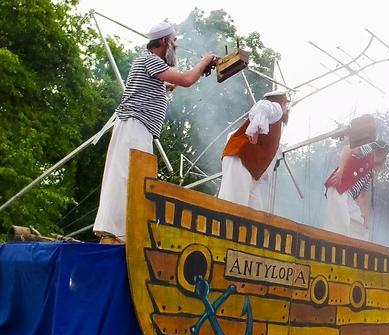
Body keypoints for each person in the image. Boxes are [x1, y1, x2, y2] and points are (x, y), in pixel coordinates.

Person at [94, 22, 216, 244]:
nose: (176, 46)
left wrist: (172, 85)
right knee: (129, 178)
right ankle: (118, 232)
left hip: (138, 127)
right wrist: (204, 62)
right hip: (134, 126)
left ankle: (120, 231)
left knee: (131, 177)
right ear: (163, 42)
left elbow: (166, 84)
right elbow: (187, 80)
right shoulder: (150, 60)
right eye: (174, 41)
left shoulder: (149, 63)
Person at [217, 90, 290, 210]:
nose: (286, 107)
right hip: (241, 159)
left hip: (248, 167)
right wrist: (253, 131)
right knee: (233, 205)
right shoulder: (275, 108)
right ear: (282, 102)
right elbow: (263, 106)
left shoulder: (274, 122)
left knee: (255, 211)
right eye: (285, 103)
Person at [322, 140, 389, 240]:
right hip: (338, 188)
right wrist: (341, 170)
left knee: (360, 225)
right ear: (376, 150)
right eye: (381, 151)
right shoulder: (366, 151)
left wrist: (365, 217)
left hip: (349, 196)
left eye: (384, 153)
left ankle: (357, 248)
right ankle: (334, 243)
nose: (382, 155)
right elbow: (347, 149)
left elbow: (363, 195)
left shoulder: (370, 172)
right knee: (341, 220)